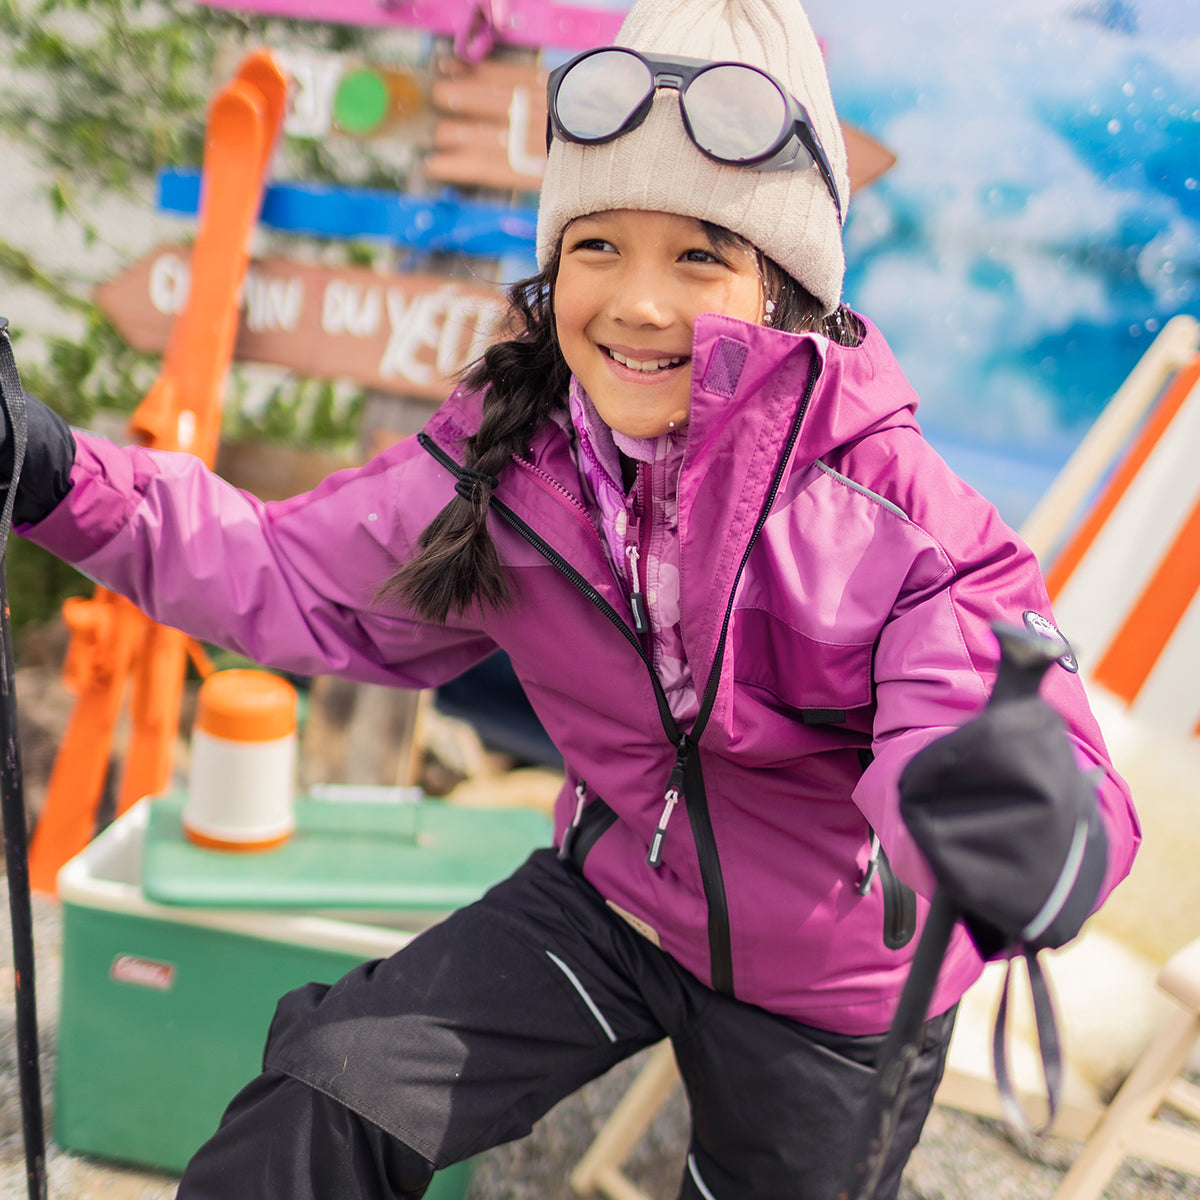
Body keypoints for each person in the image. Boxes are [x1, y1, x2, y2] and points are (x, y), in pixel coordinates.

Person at [4, 0, 1139, 1196]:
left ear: (784, 288)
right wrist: (50, 475)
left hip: (832, 989)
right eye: (600, 245)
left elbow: (988, 726)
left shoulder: (891, 513)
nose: (639, 303)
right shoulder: (518, 458)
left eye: (701, 254)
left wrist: (1016, 816)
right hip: (611, 903)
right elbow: (287, 574)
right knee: (324, 1098)